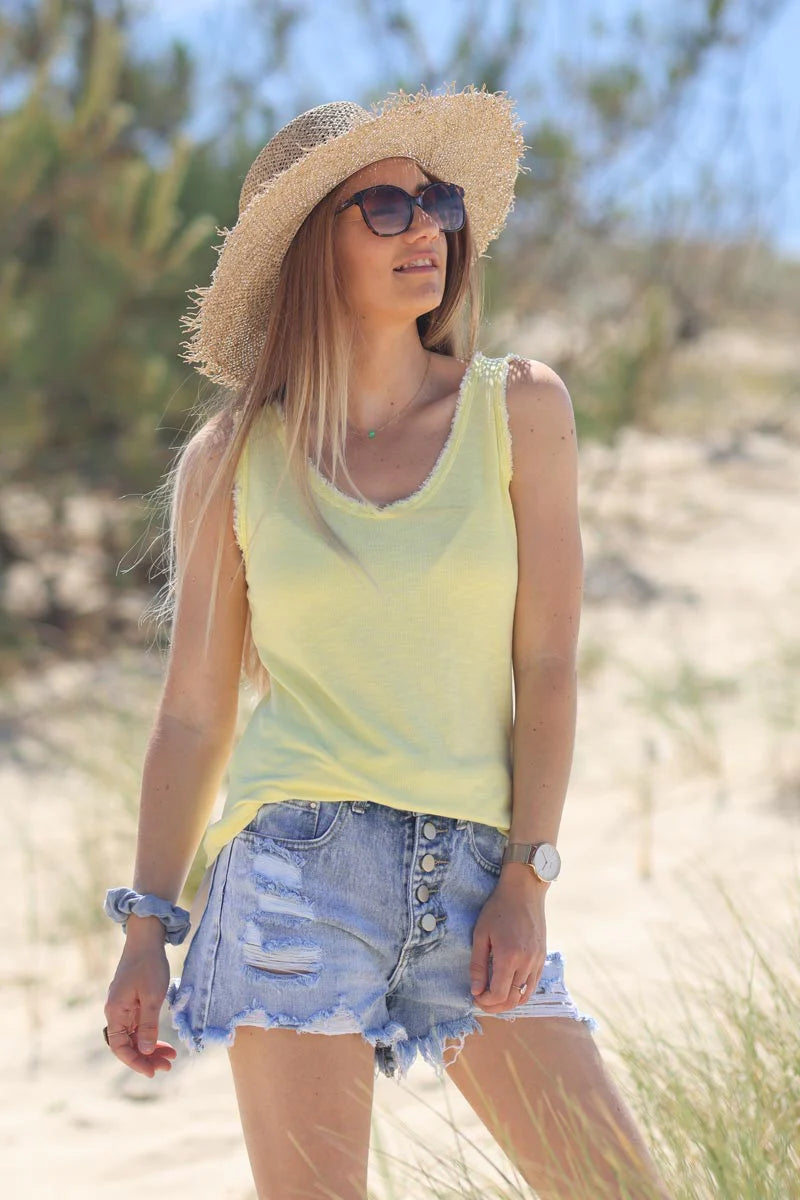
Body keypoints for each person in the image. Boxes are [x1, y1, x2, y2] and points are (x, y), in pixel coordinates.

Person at [102, 85, 672, 1200]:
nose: (428, 229)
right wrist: (144, 926)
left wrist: (527, 875)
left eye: (438, 202)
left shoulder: (519, 410)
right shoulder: (234, 460)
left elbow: (546, 665)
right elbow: (191, 712)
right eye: (388, 208)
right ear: (316, 246)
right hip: (292, 876)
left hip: (474, 878)